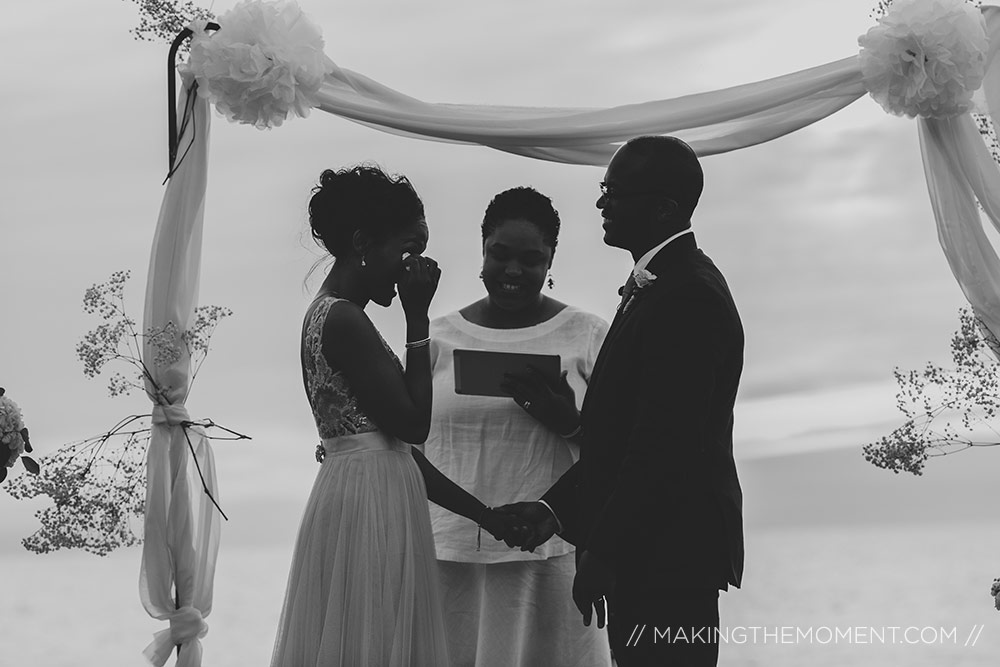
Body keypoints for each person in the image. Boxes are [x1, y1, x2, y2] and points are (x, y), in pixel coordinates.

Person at [501, 137, 745, 667]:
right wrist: (552, 509)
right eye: (602, 189)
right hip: (654, 547)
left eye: (614, 191)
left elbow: (662, 445)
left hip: (669, 556)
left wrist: (605, 551)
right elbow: (621, 436)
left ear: (663, 209)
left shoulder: (689, 295)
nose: (601, 203)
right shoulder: (661, 284)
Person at [270, 165, 525, 667]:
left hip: (373, 489)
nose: (418, 267)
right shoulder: (343, 319)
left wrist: (485, 517)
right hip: (368, 507)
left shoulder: (340, 315)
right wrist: (416, 316)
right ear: (364, 242)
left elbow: (400, 448)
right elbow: (414, 426)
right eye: (409, 249)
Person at [421, 186, 612, 666]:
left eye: (531, 259)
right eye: (499, 254)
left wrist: (570, 424)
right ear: (482, 250)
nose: (512, 271)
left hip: (548, 558)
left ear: (551, 261)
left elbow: (621, 445)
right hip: (449, 556)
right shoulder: (437, 339)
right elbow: (408, 442)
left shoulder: (588, 334)